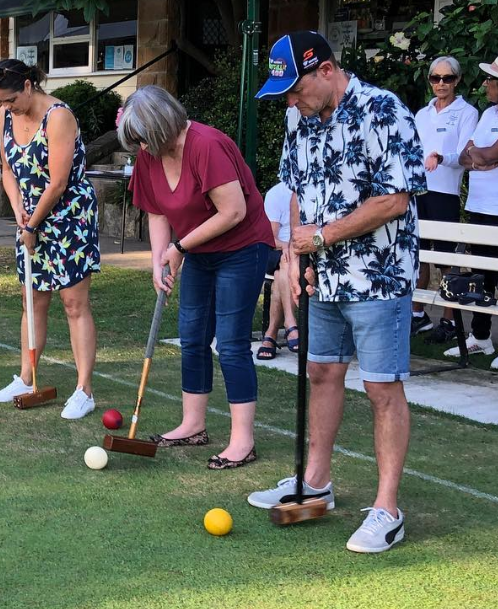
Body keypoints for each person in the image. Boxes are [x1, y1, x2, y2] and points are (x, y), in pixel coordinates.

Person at [249, 31, 426, 553]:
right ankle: (315, 483)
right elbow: (299, 194)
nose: (290, 100)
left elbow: (394, 201)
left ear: (326, 70)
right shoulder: (300, 121)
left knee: (381, 387)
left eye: (295, 88)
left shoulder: (384, 111)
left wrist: (322, 237)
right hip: (322, 276)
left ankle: (387, 510)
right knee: (322, 371)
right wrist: (297, 256)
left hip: (379, 275)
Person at [119, 85, 273, 469]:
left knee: (232, 343)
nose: (141, 148)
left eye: (143, 139)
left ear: (161, 126)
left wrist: (180, 248)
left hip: (242, 248)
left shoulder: (206, 145)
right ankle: (193, 424)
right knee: (192, 337)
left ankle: (242, 441)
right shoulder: (149, 155)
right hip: (198, 251)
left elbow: (233, 211)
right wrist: (158, 260)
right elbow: (156, 211)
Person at [0, 58, 102, 420]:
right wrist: (20, 212)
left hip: (68, 218)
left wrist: (33, 225)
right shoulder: (6, 116)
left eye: (11, 100)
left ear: (29, 86)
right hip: (30, 219)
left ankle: (84, 390)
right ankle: (25, 376)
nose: (7, 108)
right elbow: (7, 170)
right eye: (1, 102)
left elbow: (58, 183)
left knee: (73, 303)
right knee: (31, 300)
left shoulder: (59, 117)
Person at [412, 56, 478, 343]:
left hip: (445, 193)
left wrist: (441, 157)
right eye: (435, 78)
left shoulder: (467, 112)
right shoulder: (421, 113)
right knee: (418, 254)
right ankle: (417, 314)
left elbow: (466, 155)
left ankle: (451, 320)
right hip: (419, 192)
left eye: (447, 78)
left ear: (457, 80)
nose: (441, 84)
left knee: (446, 258)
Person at [445, 55, 498, 366]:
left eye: (492, 79)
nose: (487, 84)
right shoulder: (488, 113)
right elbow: (468, 156)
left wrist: (483, 156)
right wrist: (482, 157)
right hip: (478, 207)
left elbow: (490, 154)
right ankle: (481, 338)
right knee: (481, 277)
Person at [257, 182, 298, 360]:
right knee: (285, 261)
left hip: (302, 251)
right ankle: (290, 324)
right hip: (278, 250)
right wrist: (289, 247)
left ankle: (271, 334)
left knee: (282, 273)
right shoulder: (277, 193)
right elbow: (270, 239)